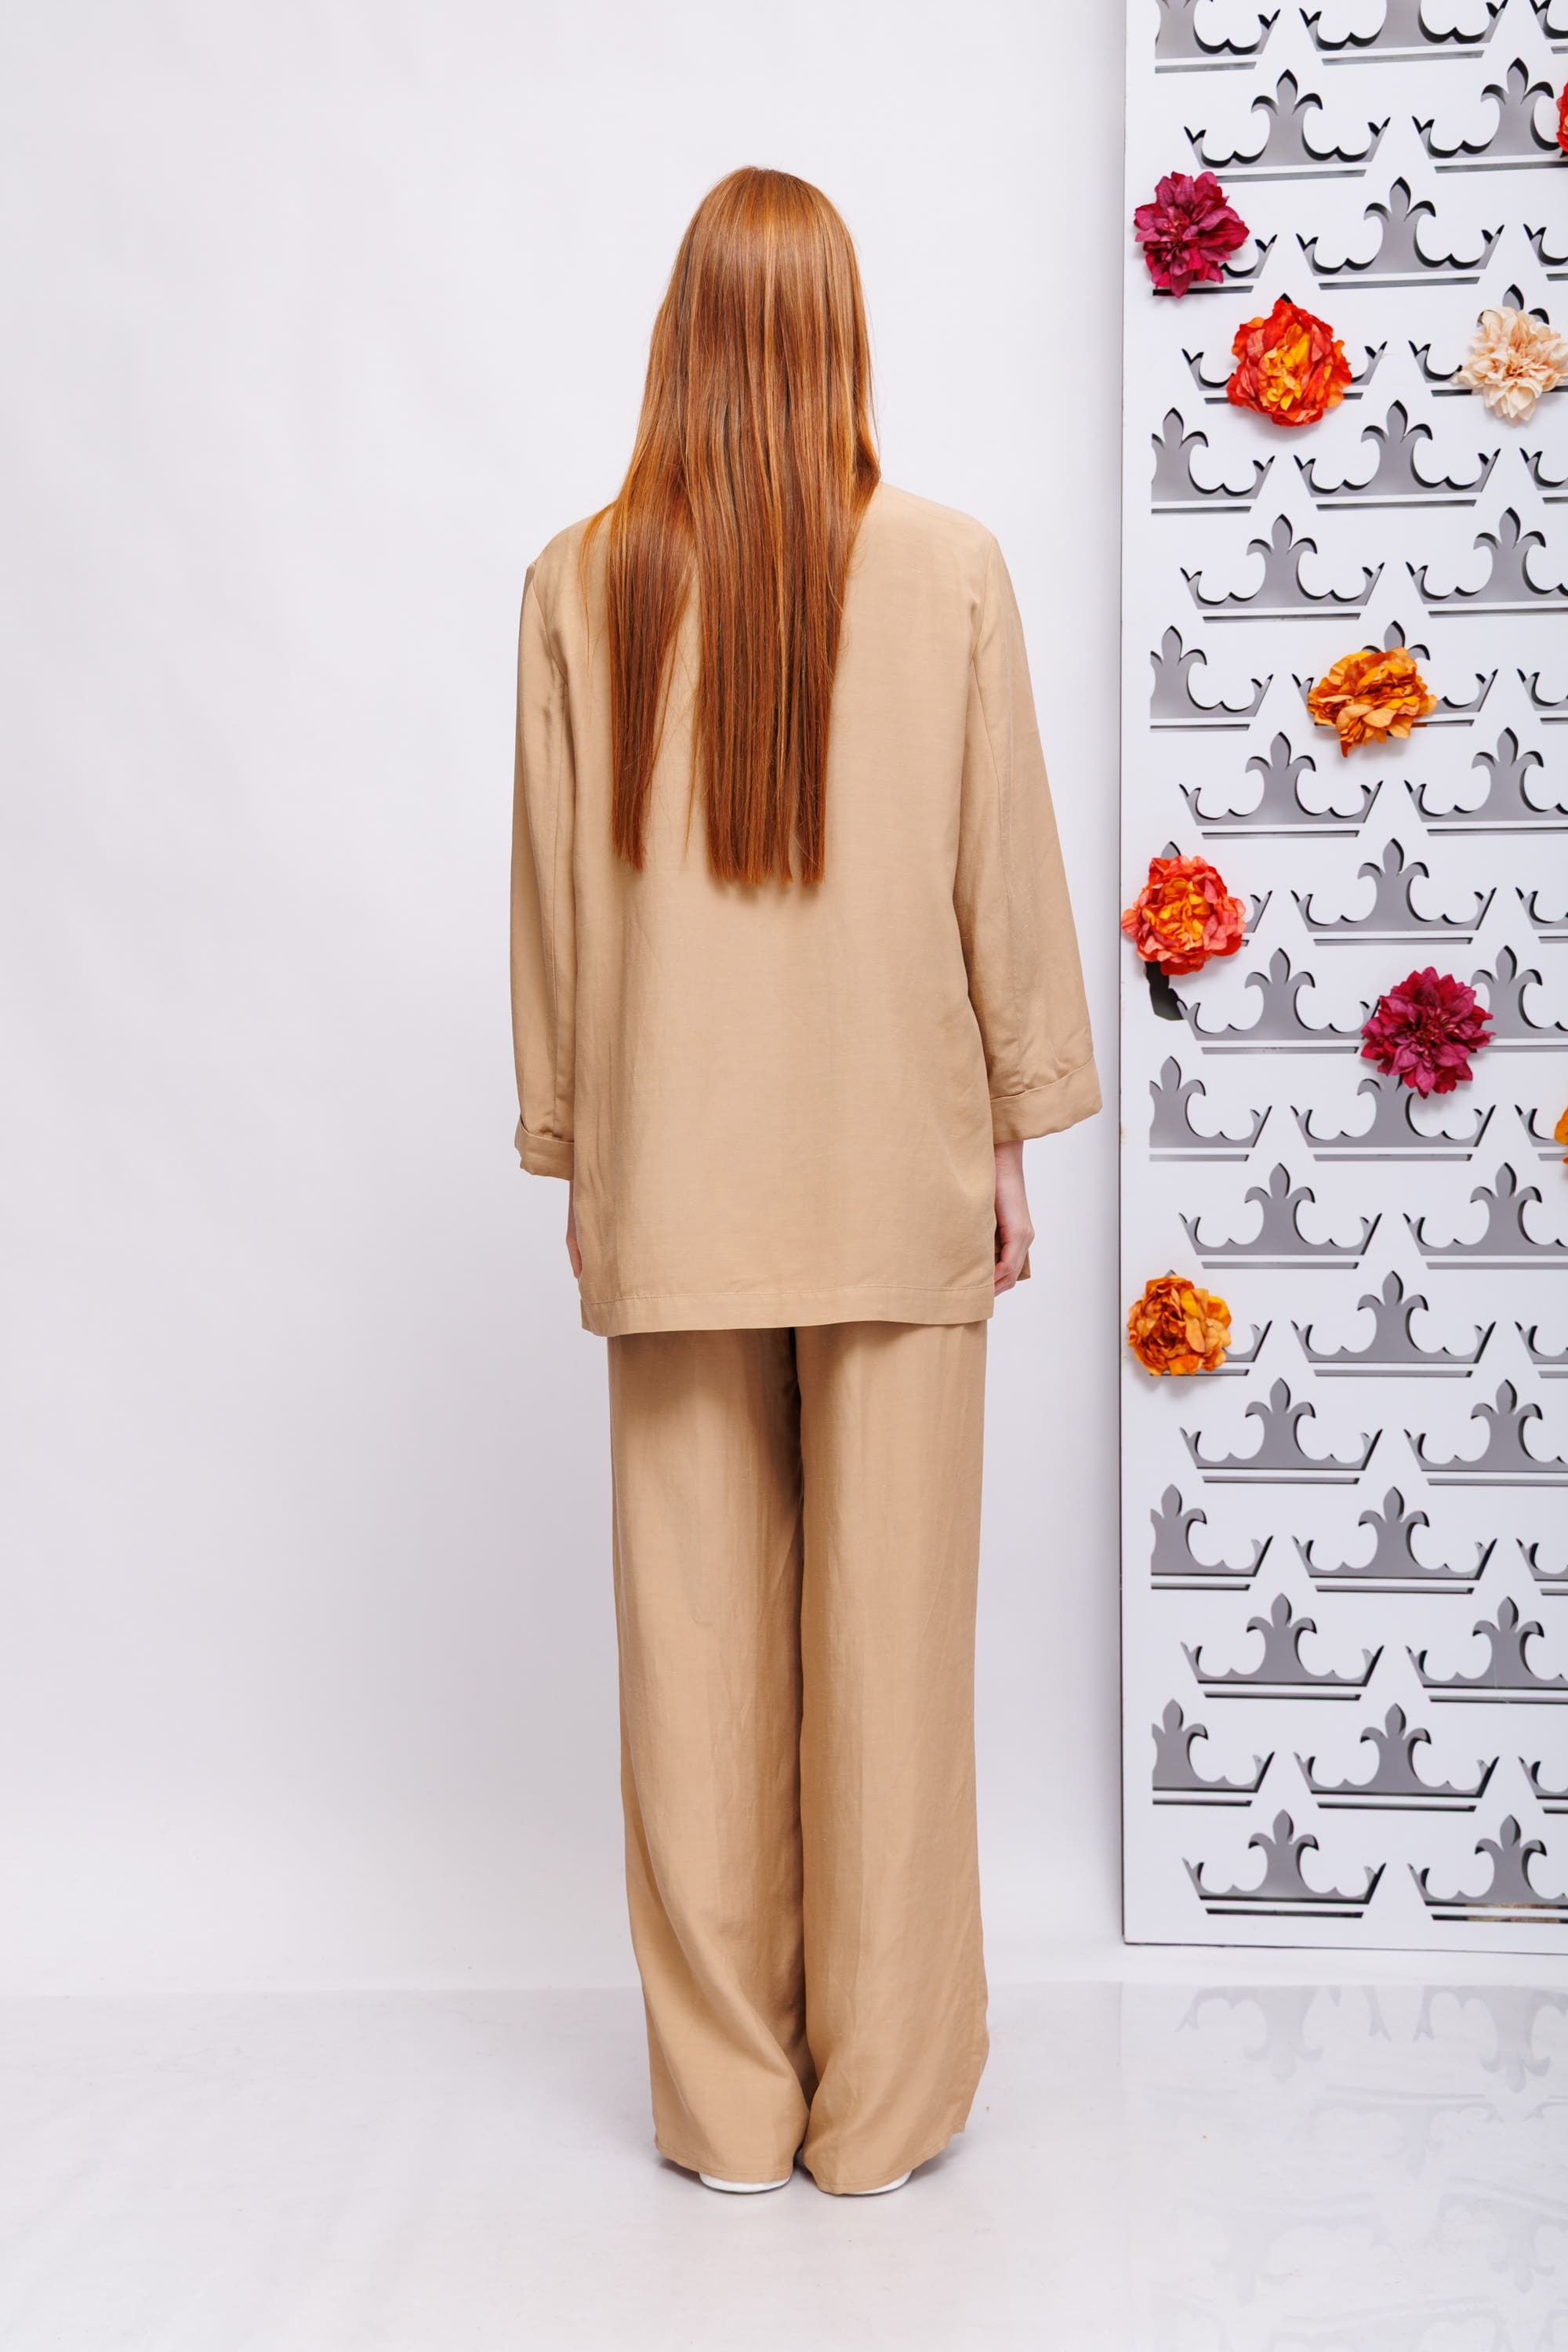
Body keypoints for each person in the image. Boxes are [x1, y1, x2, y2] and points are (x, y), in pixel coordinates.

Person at [509, 166, 1099, 2199]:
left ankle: (729, 2113)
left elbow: (552, 907)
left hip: (675, 1172)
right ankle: (886, 2113)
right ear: (843, 335)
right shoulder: (950, 571)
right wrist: (1011, 1126)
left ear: (681, 336)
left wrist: (577, 1147)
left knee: (692, 1653)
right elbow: (1000, 875)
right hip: (896, 1158)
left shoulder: (581, 581)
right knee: (894, 1656)